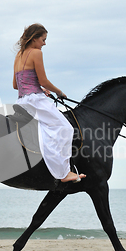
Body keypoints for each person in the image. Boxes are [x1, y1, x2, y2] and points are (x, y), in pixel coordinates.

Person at [13, 23, 86, 183]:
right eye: (43, 40)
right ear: (34, 39)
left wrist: (38, 87)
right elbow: (44, 80)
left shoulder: (19, 55)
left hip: (22, 101)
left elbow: (16, 85)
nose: (44, 43)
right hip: (35, 101)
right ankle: (64, 173)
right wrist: (58, 92)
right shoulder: (36, 53)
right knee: (66, 129)